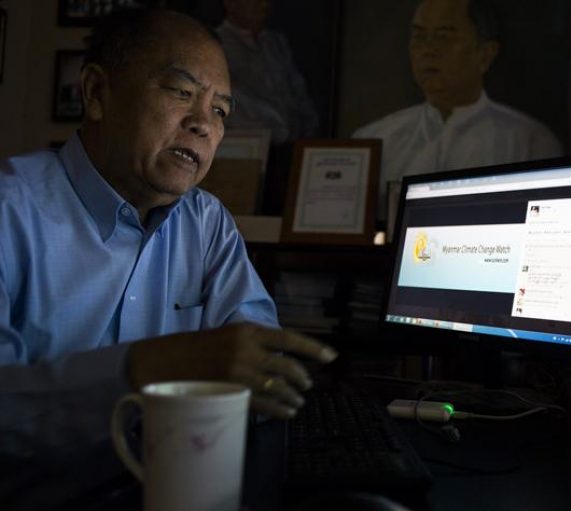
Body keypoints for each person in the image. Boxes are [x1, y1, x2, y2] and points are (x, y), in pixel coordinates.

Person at [0, 9, 336, 506]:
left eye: (220, 110)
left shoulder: (208, 224)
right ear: (96, 93)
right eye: (181, 92)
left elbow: (260, 366)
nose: (202, 124)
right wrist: (142, 369)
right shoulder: (11, 211)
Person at [353, 0, 563, 218]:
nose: (428, 51)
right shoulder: (375, 140)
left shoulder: (532, 142)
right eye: (419, 37)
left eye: (444, 37)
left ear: (485, 54)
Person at [216, 0, 319, 144]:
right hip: (245, 145)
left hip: (290, 143)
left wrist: (309, 130)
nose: (264, 5)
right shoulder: (216, 44)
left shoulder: (276, 43)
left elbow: (298, 91)